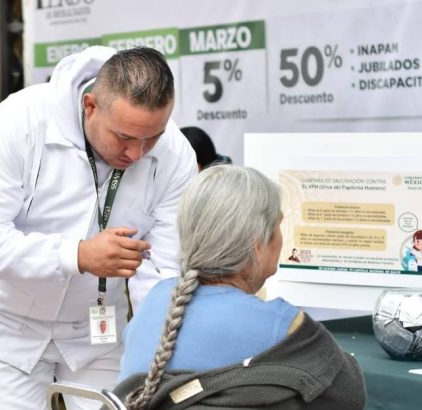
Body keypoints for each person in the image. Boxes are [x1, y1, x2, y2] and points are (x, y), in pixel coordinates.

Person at [0, 46, 197, 409]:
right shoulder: (19, 121)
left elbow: (164, 272)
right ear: (90, 105)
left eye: (152, 138)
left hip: (97, 333)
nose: (137, 154)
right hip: (6, 326)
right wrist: (77, 255)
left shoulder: (175, 154)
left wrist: (155, 351)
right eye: (125, 138)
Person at [116, 165, 365, 410]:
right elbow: (350, 395)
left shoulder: (155, 300)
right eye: (278, 225)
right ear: (257, 244)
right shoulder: (282, 325)